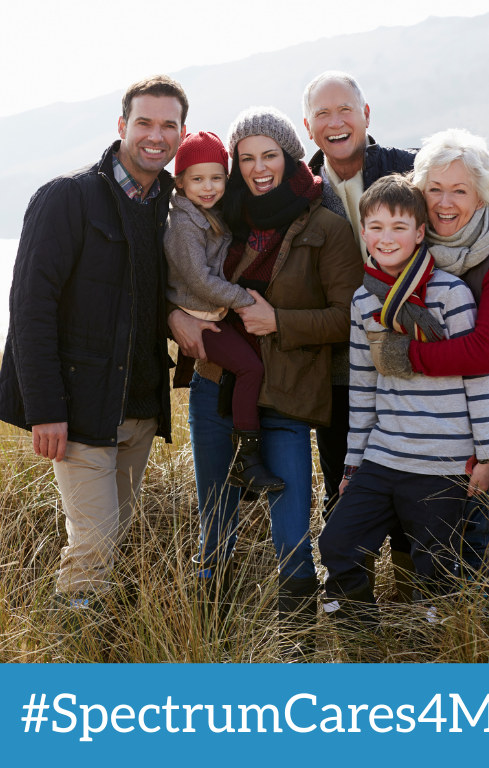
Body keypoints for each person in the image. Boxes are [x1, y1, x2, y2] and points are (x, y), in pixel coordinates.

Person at [302, 69, 489, 599]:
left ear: (366, 116)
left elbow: (468, 185)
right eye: (322, 114)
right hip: (349, 353)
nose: (336, 122)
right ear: (310, 126)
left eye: (346, 110)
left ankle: (427, 606)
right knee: (350, 495)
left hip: (435, 383)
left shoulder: (405, 171)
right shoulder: (305, 190)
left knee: (437, 534)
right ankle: (358, 621)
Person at [169, 106, 363, 657]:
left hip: (288, 394)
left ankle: (297, 648)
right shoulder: (222, 214)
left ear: (290, 156)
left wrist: (280, 322)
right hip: (215, 385)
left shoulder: (324, 225)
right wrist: (172, 315)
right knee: (216, 518)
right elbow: (179, 271)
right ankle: (212, 640)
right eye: (246, 158)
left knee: (292, 531)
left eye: (269, 156)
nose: (258, 168)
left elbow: (348, 316)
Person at [0, 75, 187, 616]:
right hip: (81, 414)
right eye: (145, 123)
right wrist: (46, 410)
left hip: (139, 415)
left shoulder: (167, 208)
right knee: (93, 550)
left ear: (181, 132)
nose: (156, 135)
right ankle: (68, 658)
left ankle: (94, 647)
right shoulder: (68, 198)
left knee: (110, 546)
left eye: (168, 125)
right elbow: (30, 308)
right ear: (123, 126)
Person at [318, 174, 489, 628]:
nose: (387, 238)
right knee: (337, 542)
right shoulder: (364, 301)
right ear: (363, 233)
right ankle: (360, 632)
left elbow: (477, 374)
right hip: (383, 456)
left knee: (435, 566)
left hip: (440, 461)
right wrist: (352, 464)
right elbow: (363, 387)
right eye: (376, 227)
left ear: (420, 233)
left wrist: (488, 454)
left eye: (399, 227)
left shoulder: (450, 293)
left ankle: (433, 643)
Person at [372, 128, 489, 590]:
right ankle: (480, 602)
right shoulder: (414, 248)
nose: (445, 203)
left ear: (484, 197)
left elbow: (488, 352)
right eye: (434, 189)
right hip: (454, 394)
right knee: (468, 501)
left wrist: (405, 355)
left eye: (460, 190)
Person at [164, 130, 284, 493]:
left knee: (250, 366)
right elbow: (200, 281)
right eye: (197, 179)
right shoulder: (183, 223)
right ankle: (247, 461)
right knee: (250, 367)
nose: (208, 187)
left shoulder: (210, 213)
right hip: (198, 315)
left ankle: (244, 459)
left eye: (216, 177)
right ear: (180, 181)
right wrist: (245, 299)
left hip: (212, 312)